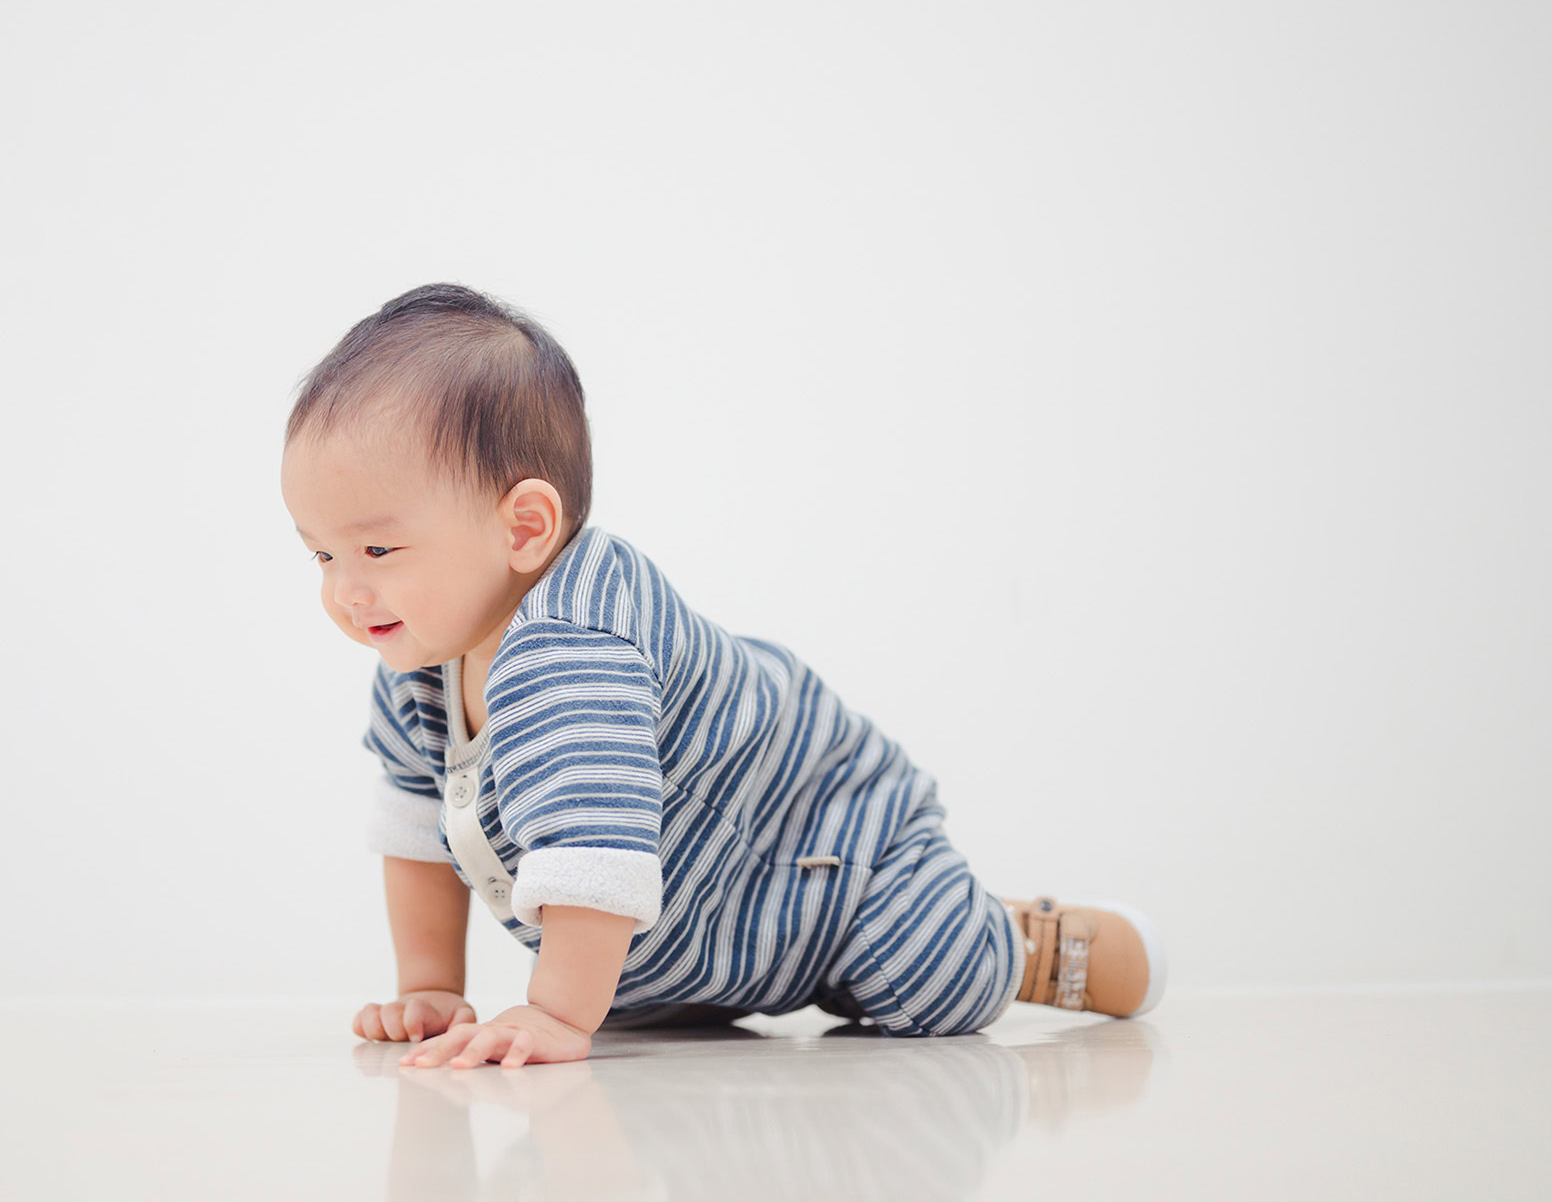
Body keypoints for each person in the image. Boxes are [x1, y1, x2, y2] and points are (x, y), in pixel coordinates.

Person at [280, 282, 1166, 1069]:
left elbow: (595, 851)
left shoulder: (577, 643)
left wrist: (554, 1011)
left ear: (523, 529)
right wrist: (432, 984)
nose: (345, 591)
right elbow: (418, 827)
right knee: (630, 1001)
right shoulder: (418, 664)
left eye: (378, 548)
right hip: (695, 924)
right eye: (321, 552)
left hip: (826, 852)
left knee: (925, 978)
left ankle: (1034, 941)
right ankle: (694, 979)